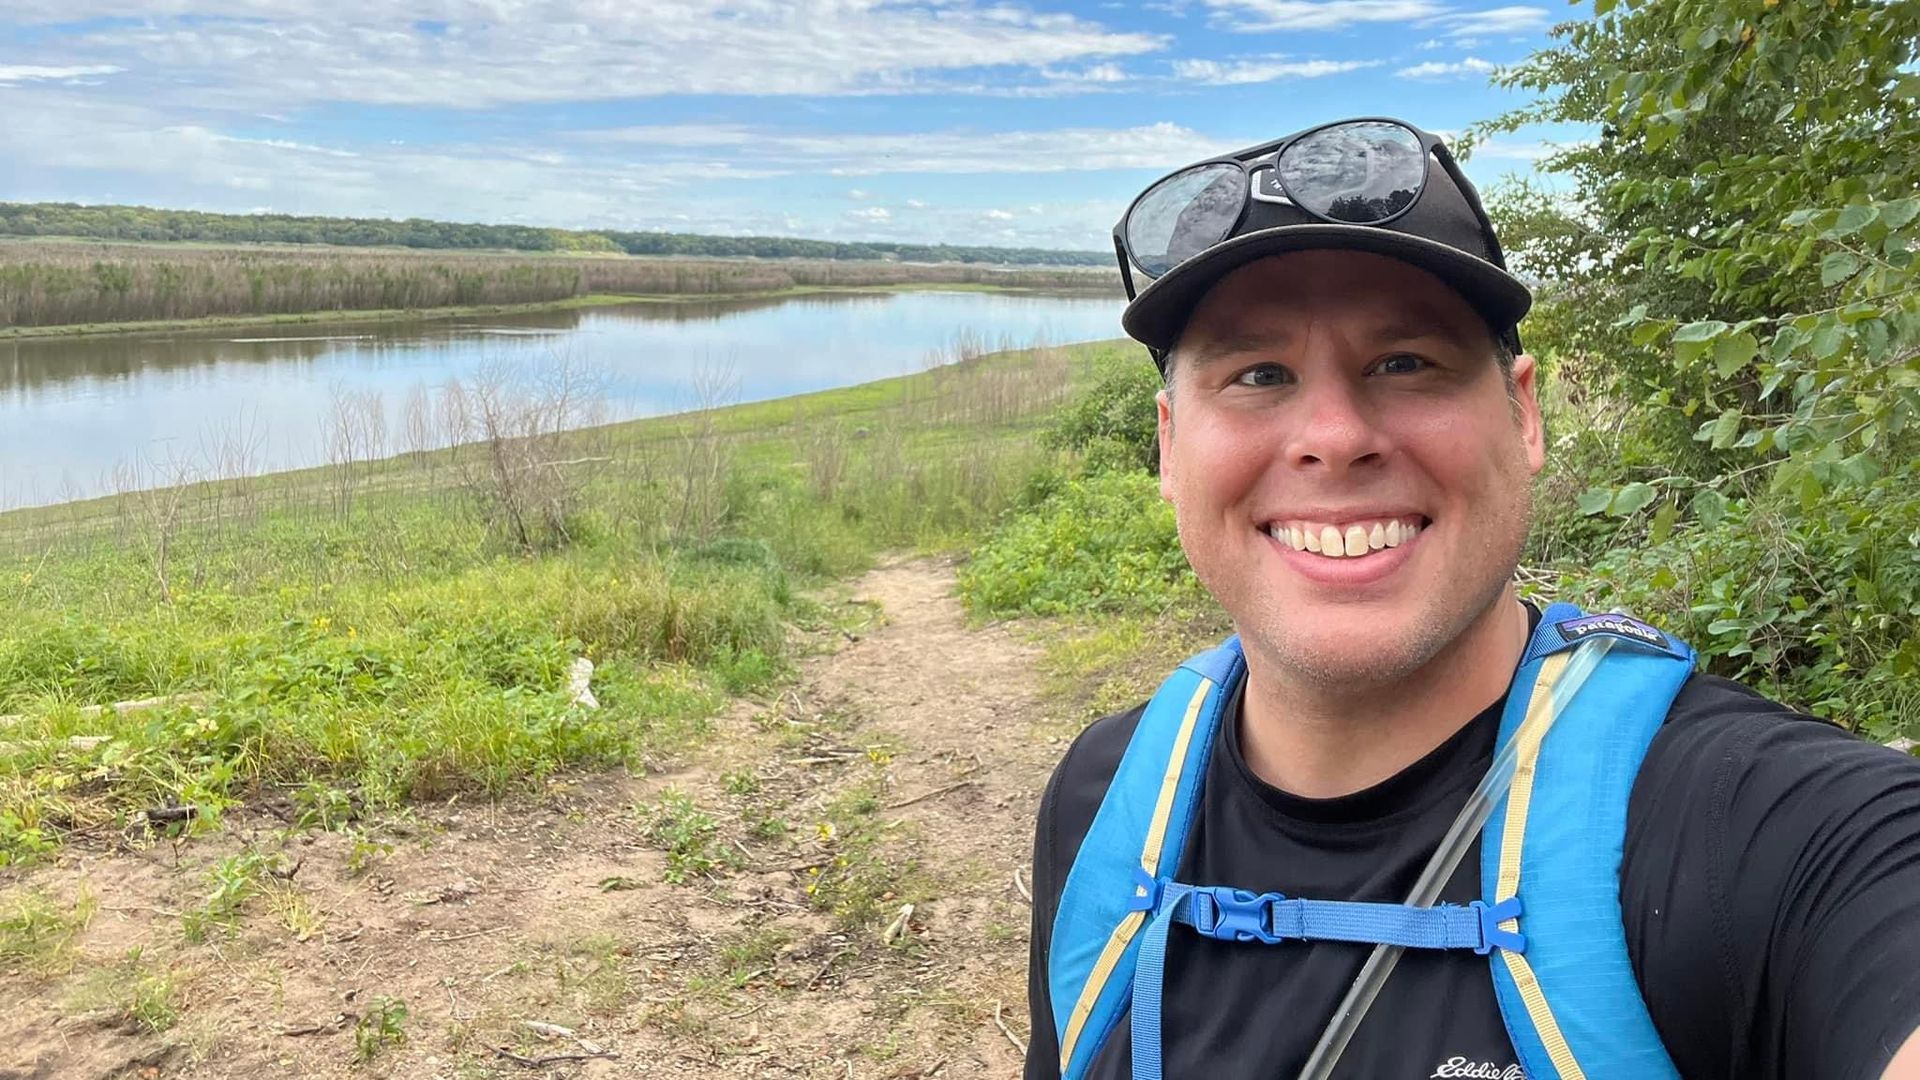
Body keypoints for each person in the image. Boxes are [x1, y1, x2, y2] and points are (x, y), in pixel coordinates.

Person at [1022, 118, 1920, 1080]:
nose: (1335, 436)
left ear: (1524, 413)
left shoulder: (1757, 829)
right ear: (1169, 445)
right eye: (1258, 375)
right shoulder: (1106, 800)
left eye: (1405, 362)